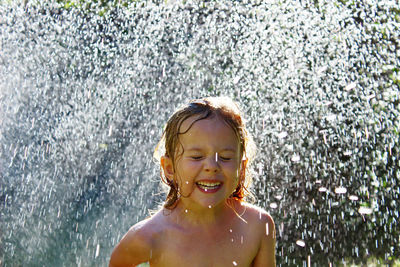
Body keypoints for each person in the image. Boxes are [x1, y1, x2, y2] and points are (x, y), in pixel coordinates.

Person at [109, 96, 276, 267]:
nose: (212, 167)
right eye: (197, 157)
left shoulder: (257, 226)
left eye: (225, 157)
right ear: (169, 168)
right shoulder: (150, 236)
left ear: (241, 168)